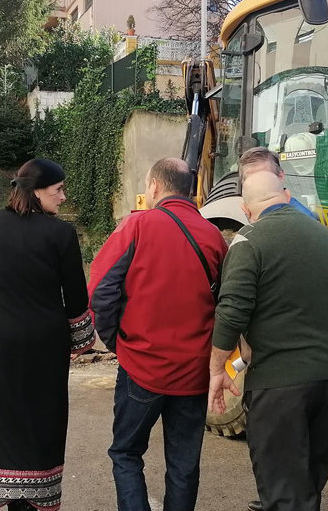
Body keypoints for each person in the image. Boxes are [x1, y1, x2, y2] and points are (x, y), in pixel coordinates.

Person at [209, 171, 328, 511]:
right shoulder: (327, 237)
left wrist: (218, 369)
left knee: (283, 489)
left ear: (246, 209)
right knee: (308, 481)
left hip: (281, 386)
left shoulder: (249, 241)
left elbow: (232, 311)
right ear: (287, 195)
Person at [89, 158, 228, 511]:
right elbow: (227, 303)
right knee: (183, 465)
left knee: (126, 453)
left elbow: (101, 292)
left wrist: (118, 343)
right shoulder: (213, 236)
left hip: (142, 369)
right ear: (190, 190)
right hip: (194, 373)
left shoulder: (137, 226)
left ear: (154, 186)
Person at [0, 158, 94, 511]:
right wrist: (81, 340)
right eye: (58, 190)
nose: (63, 197)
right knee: (42, 418)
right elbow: (76, 298)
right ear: (36, 192)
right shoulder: (61, 234)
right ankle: (36, 498)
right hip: (46, 343)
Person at [238, 146, 315, 219]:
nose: (259, 184)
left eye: (265, 177)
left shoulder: (303, 219)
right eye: (252, 180)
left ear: (281, 176)